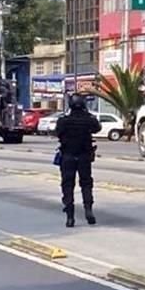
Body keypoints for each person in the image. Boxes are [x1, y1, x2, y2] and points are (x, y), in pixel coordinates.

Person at [55, 93, 101, 227]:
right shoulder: (89, 119)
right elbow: (97, 128)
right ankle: (88, 210)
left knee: (67, 185)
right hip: (84, 156)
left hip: (68, 156)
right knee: (86, 184)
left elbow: (57, 132)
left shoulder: (64, 120)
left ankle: (70, 216)